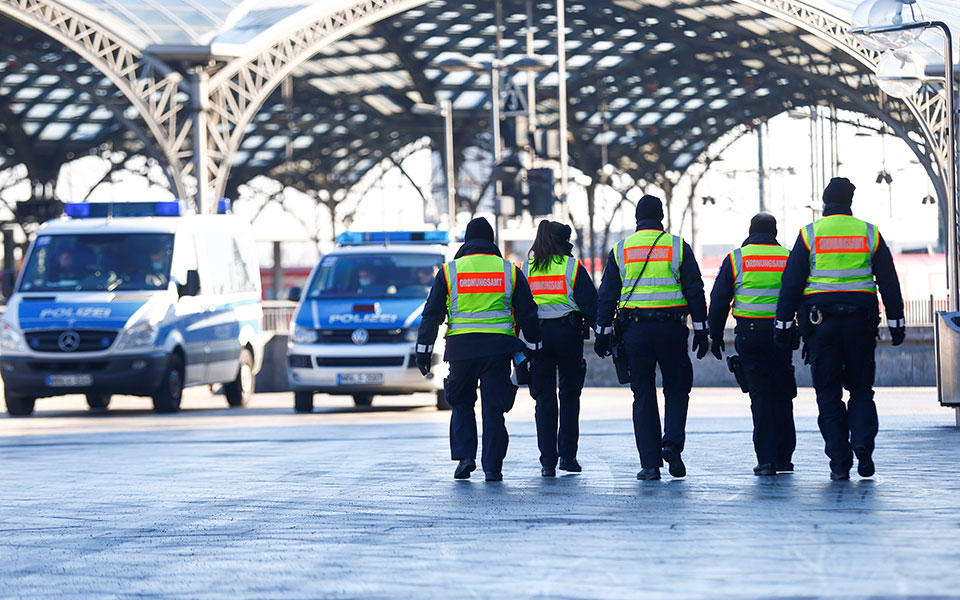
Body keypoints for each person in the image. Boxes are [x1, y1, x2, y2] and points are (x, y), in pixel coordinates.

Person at [775, 177, 905, 481]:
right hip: (860, 324)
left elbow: (791, 284)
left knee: (829, 394)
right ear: (850, 202)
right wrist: (897, 324)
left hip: (822, 327)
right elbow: (889, 281)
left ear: (824, 202)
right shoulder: (868, 232)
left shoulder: (810, 234)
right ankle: (862, 443)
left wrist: (782, 325)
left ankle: (839, 461)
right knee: (861, 389)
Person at [415, 217, 542, 482]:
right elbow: (528, 314)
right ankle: (493, 468)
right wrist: (534, 346)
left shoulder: (450, 271)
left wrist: (424, 351)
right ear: (491, 241)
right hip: (498, 350)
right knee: (494, 409)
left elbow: (432, 315)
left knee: (461, 402)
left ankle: (465, 457)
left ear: (467, 242)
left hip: (461, 350)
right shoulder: (509, 270)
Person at [594, 195, 709, 480]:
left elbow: (607, 295)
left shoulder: (621, 249)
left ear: (637, 219)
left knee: (642, 392)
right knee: (677, 387)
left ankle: (650, 465)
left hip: (635, 331)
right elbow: (695, 290)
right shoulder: (677, 246)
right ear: (661, 218)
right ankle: (671, 443)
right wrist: (702, 329)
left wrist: (602, 332)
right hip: (671, 329)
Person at [708, 213, 797, 477]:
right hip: (782, 336)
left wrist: (714, 335)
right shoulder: (789, 257)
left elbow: (720, 299)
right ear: (775, 233)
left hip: (750, 336)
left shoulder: (737, 259)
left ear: (751, 231)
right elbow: (800, 292)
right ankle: (784, 458)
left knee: (760, 397)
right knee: (783, 394)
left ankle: (766, 460)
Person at [522, 220, 598, 477]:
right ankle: (568, 456)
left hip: (537, 338)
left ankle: (547, 462)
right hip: (568, 335)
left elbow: (519, 305)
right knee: (569, 396)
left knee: (543, 399)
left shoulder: (526, 267)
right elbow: (591, 305)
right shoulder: (572, 267)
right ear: (563, 243)